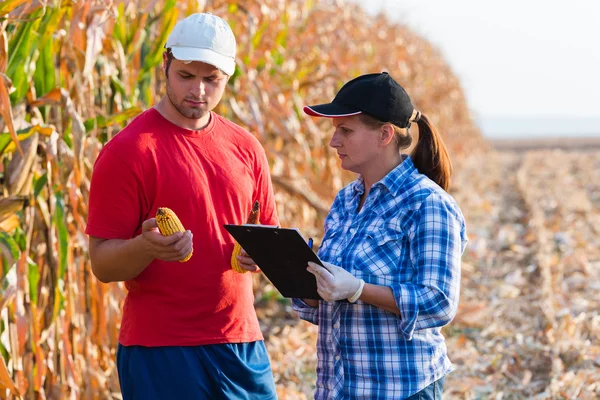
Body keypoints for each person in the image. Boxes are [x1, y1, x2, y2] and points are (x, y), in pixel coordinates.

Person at [86, 12, 279, 399]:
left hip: (240, 342)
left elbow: (266, 235)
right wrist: (146, 247)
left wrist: (257, 256)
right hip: (160, 348)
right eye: (186, 76)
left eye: (212, 80)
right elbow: (102, 264)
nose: (200, 92)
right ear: (166, 64)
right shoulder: (128, 152)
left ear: (230, 76)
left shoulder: (247, 149)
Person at [292, 72, 468, 399]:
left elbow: (439, 302)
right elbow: (326, 306)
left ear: (385, 134)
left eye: (345, 130)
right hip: (338, 387)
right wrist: (290, 270)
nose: (334, 141)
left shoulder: (427, 204)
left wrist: (359, 289)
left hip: (399, 388)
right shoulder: (346, 200)